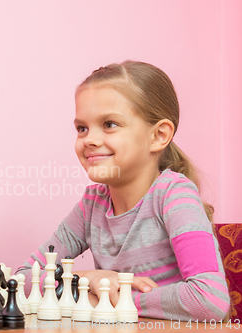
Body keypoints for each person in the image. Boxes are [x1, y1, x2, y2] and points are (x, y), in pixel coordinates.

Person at [16, 61, 230, 321]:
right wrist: (83, 280)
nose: (90, 139)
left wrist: (106, 299)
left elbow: (209, 300)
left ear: (158, 136)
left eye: (109, 124)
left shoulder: (174, 195)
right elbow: (22, 278)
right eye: (82, 128)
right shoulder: (91, 205)